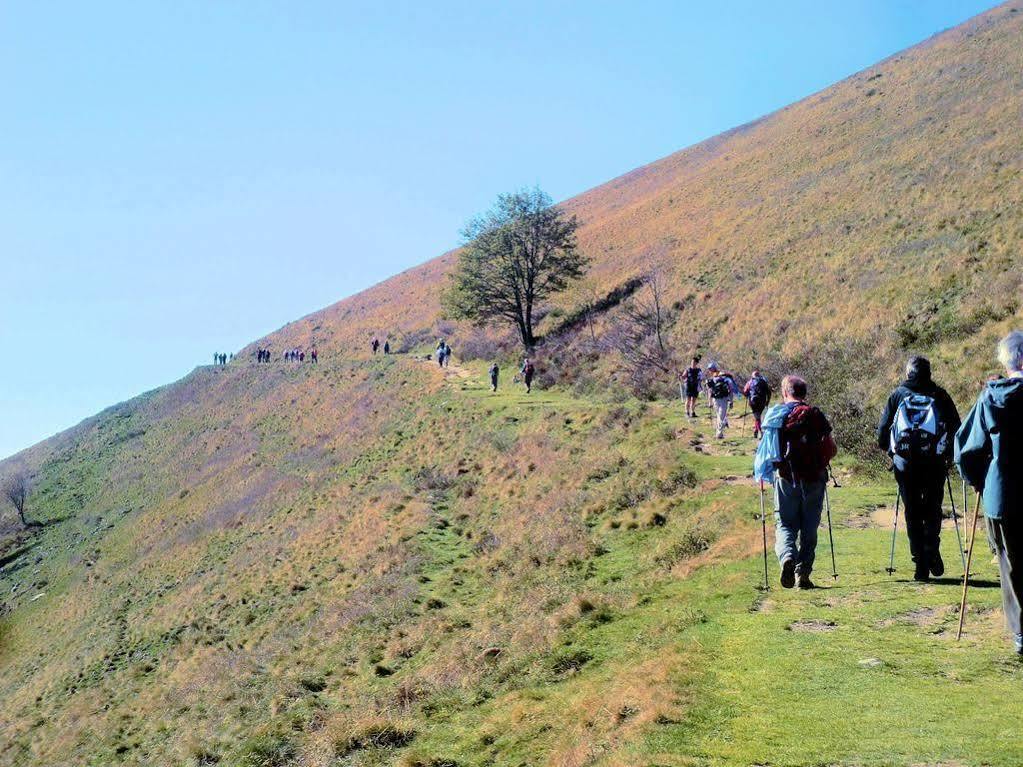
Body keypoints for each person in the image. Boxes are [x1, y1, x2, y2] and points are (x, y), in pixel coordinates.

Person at [956, 331, 1023, 656]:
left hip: (1002, 493)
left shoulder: (991, 397)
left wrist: (980, 481)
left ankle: (1021, 634)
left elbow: (966, 450)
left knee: (1010, 564)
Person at [877, 356, 961, 581]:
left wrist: (892, 453)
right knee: (933, 508)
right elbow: (957, 427)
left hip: (904, 464)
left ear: (908, 373)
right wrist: (949, 454)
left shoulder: (897, 395)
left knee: (912, 511)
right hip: (934, 462)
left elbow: (882, 433)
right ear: (929, 373)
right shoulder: (940, 395)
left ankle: (920, 564)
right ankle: (931, 549)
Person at [754, 375, 838, 589]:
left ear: (785, 392)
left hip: (786, 478)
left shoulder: (776, 416)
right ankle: (803, 576)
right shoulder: (815, 415)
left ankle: (787, 558)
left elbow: (767, 453)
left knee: (785, 524)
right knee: (809, 527)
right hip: (814, 479)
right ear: (804, 393)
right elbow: (831, 449)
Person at [705, 363, 734, 439]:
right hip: (723, 399)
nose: (709, 371)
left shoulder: (713, 379)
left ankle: (719, 433)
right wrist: (731, 401)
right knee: (720, 416)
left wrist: (709, 401)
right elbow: (731, 390)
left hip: (716, 399)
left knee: (720, 416)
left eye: (709, 369)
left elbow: (710, 391)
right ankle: (719, 433)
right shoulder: (724, 377)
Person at [743, 369, 772, 439]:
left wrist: (747, 395)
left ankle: (759, 431)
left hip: (753, 402)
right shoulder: (763, 382)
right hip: (762, 401)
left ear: (752, 376)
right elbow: (769, 392)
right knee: (758, 418)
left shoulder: (749, 382)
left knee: (757, 418)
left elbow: (745, 391)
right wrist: (767, 401)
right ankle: (757, 431)